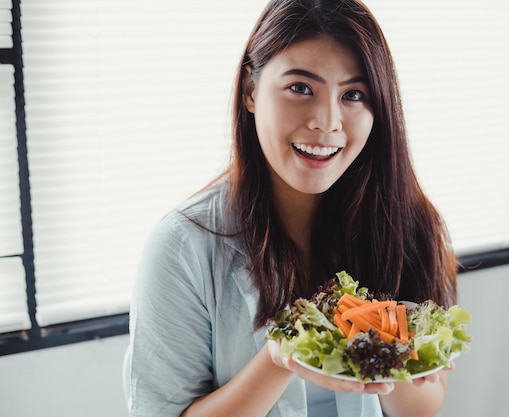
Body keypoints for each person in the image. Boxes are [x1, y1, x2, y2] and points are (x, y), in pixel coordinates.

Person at [127, 0, 458, 416]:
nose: (326, 121)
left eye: (353, 94)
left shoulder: (409, 224)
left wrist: (386, 341)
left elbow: (422, 407)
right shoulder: (181, 246)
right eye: (301, 88)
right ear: (251, 91)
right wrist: (281, 356)